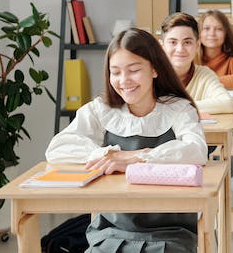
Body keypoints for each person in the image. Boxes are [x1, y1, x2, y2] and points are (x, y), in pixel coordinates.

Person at [46, 28, 210, 253]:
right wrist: (106, 155)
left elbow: (197, 151)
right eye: (116, 72)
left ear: (154, 69)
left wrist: (136, 157)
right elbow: (57, 148)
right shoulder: (101, 110)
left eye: (133, 70)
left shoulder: (178, 110)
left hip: (170, 234)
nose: (124, 81)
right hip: (110, 232)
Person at [160, 12, 233, 114]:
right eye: (173, 42)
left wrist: (177, 106)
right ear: (162, 46)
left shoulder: (204, 74)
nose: (180, 49)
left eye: (187, 42)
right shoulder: (151, 75)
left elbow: (227, 104)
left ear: (197, 45)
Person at [197, 10, 233, 89]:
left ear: (226, 33)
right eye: (206, 28)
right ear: (199, 33)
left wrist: (207, 81)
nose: (212, 33)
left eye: (218, 29)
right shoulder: (190, 56)